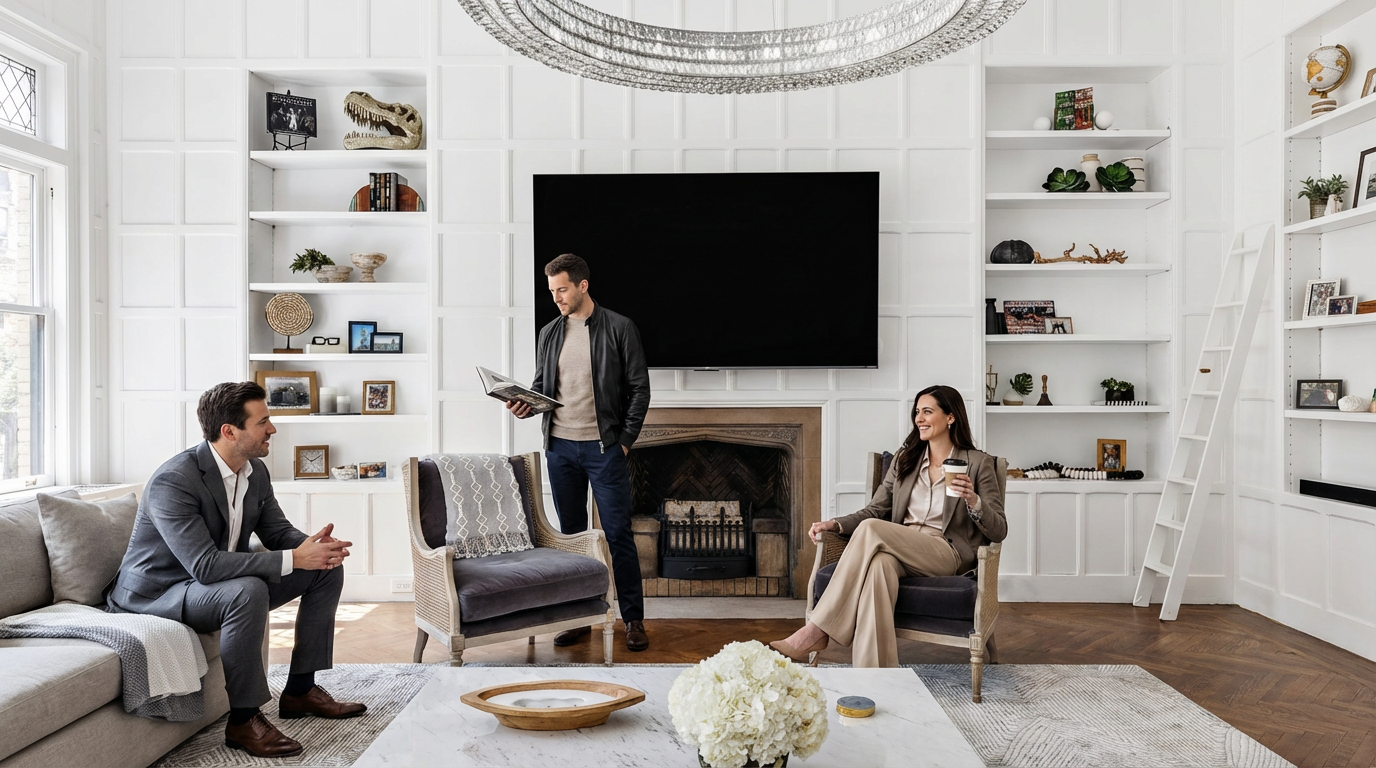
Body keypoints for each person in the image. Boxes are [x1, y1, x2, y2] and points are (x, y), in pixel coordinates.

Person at [107, 381, 366, 758]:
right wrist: (295, 558)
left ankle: (299, 691)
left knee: (324, 570)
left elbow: (277, 532)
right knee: (247, 590)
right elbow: (205, 566)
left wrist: (313, 548)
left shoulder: (254, 471)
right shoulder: (174, 481)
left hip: (211, 585)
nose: (272, 430)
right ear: (230, 431)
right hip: (159, 593)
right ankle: (244, 720)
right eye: (263, 422)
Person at [770, 385, 1006, 668]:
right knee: (879, 566)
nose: (919, 418)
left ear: (950, 417)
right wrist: (835, 523)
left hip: (946, 552)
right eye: (917, 412)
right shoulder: (905, 460)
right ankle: (877, 677)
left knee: (871, 529)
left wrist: (974, 501)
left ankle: (818, 628)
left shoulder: (978, 463)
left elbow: (999, 529)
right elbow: (875, 510)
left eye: (927, 411)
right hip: (898, 548)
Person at [506, 253, 652, 652]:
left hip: (605, 449)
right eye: (552, 291)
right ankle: (578, 619)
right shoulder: (549, 333)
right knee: (571, 538)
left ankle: (633, 620)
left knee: (619, 535)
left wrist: (624, 442)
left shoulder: (620, 328)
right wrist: (524, 405)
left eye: (563, 289)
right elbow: (541, 389)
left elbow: (640, 389)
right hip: (560, 449)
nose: (557, 298)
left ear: (583, 285)